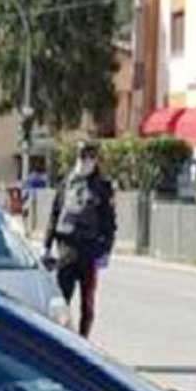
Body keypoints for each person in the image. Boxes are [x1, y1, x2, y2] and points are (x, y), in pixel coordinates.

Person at [45, 141, 116, 338]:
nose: (86, 161)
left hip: (89, 250)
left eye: (91, 157)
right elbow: (54, 215)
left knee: (87, 303)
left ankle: (83, 341)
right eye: (83, 157)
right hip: (66, 249)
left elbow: (109, 222)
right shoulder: (67, 182)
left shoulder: (102, 187)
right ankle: (61, 338)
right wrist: (47, 246)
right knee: (61, 301)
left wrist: (106, 250)